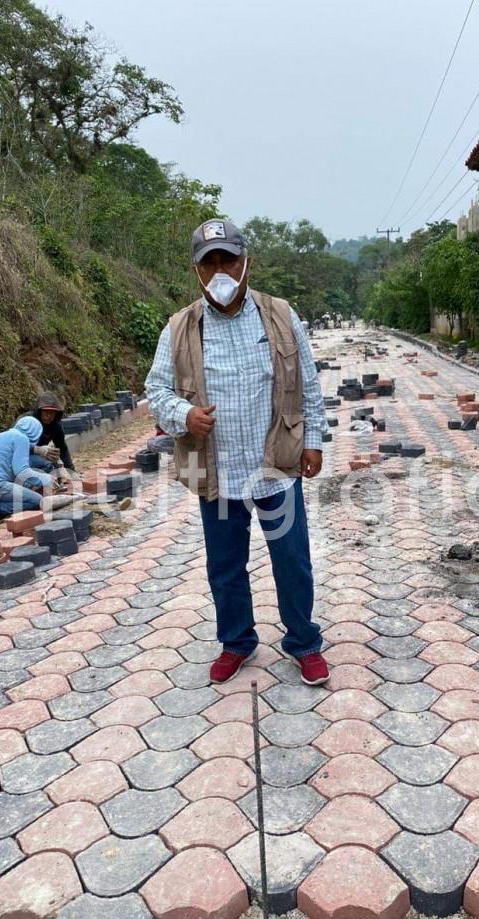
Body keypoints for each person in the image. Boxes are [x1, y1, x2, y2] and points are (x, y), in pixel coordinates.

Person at [146, 218, 329, 686]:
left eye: (228, 258)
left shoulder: (281, 316)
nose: (221, 270)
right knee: (225, 566)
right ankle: (236, 642)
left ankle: (303, 642)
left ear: (246, 262)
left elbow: (308, 383)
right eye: (210, 263)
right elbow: (156, 390)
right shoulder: (179, 328)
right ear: (197, 272)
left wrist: (313, 441)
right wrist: (184, 415)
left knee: (292, 559)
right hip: (217, 472)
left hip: (276, 466)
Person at [0, 416, 57, 518]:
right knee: (37, 501)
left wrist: (38, 450)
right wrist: (46, 479)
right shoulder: (22, 439)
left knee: (27, 483)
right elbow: (22, 473)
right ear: (36, 433)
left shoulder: (7, 436)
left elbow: (20, 450)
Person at [31, 392, 75, 472]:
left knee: (54, 463)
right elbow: (16, 445)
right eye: (46, 412)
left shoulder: (55, 425)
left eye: (52, 413)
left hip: (38, 454)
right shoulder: (28, 421)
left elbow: (62, 448)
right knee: (46, 464)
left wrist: (72, 471)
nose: (49, 416)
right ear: (39, 411)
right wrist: (38, 450)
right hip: (21, 454)